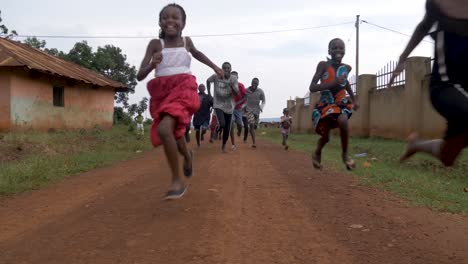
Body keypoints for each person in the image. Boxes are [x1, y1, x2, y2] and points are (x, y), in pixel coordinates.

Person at [136, 3, 223, 200]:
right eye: (166, 17)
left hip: (183, 89)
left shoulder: (186, 42)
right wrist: (152, 64)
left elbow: (198, 54)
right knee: (175, 135)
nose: (170, 21)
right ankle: (188, 155)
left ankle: (176, 181)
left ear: (183, 23)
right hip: (163, 92)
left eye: (175, 17)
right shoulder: (155, 45)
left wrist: (215, 67)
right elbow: (139, 75)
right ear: (160, 22)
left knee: (165, 129)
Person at [388, 0, 468, 167]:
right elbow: (424, 27)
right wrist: (402, 59)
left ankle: (416, 144)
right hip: (446, 85)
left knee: (448, 156)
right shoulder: (439, 4)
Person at [308, 38, 359, 170]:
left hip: (340, 102)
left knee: (343, 120)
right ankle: (318, 151)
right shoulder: (323, 65)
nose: (338, 50)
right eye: (335, 48)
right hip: (326, 104)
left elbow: (345, 83)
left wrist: (353, 99)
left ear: (344, 51)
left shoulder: (346, 68)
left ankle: (345, 154)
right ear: (329, 50)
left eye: (341, 48)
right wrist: (333, 83)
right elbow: (312, 87)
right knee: (326, 137)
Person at [207, 62, 239, 153]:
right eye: (224, 68)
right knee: (222, 124)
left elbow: (236, 93)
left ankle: (223, 146)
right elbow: (208, 81)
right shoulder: (216, 76)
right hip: (218, 104)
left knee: (227, 128)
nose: (226, 69)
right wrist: (209, 94)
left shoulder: (233, 79)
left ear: (231, 69)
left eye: (228, 68)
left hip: (229, 106)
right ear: (221, 69)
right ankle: (218, 128)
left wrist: (231, 84)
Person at [245, 78, 266, 148]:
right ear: (251, 82)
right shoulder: (246, 90)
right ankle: (254, 143)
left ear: (258, 84)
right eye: (253, 83)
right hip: (248, 110)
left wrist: (261, 107)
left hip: (257, 111)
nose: (254, 84)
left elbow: (264, 100)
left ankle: (252, 130)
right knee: (251, 125)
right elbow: (243, 98)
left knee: (254, 126)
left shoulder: (260, 91)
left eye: (256, 83)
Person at [229, 71, 247, 150]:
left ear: (237, 78)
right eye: (232, 76)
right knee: (231, 124)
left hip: (238, 108)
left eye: (235, 77)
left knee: (240, 125)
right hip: (229, 108)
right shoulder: (227, 85)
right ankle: (233, 144)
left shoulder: (241, 85)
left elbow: (245, 97)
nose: (234, 78)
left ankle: (239, 131)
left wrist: (236, 103)